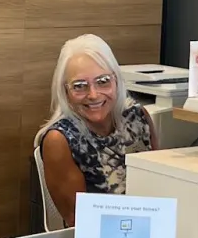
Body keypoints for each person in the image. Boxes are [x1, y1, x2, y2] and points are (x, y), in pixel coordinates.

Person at [35, 34, 157, 226]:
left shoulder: (138, 118)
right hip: (98, 237)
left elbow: (159, 186)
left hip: (148, 227)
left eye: (103, 81)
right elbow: (79, 221)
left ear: (116, 81)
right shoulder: (59, 140)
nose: (93, 95)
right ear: (65, 92)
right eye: (80, 86)